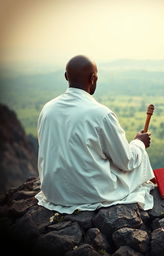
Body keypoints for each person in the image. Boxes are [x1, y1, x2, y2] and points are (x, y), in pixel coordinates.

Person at [35, 55, 155, 214]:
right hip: (88, 194)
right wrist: (139, 143)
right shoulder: (102, 114)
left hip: (54, 193)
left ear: (66, 77)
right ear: (93, 78)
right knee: (139, 158)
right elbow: (126, 161)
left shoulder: (47, 109)